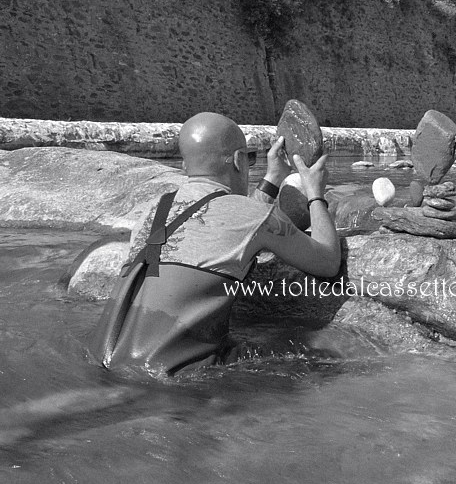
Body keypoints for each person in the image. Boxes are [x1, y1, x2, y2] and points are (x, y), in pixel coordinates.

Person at [88, 112, 340, 376]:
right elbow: (327, 261)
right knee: (329, 353)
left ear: (185, 166)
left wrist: (273, 178)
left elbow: (231, 224)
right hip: (175, 377)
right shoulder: (254, 217)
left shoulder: (153, 210)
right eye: (248, 158)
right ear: (238, 160)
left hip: (105, 361)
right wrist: (315, 194)